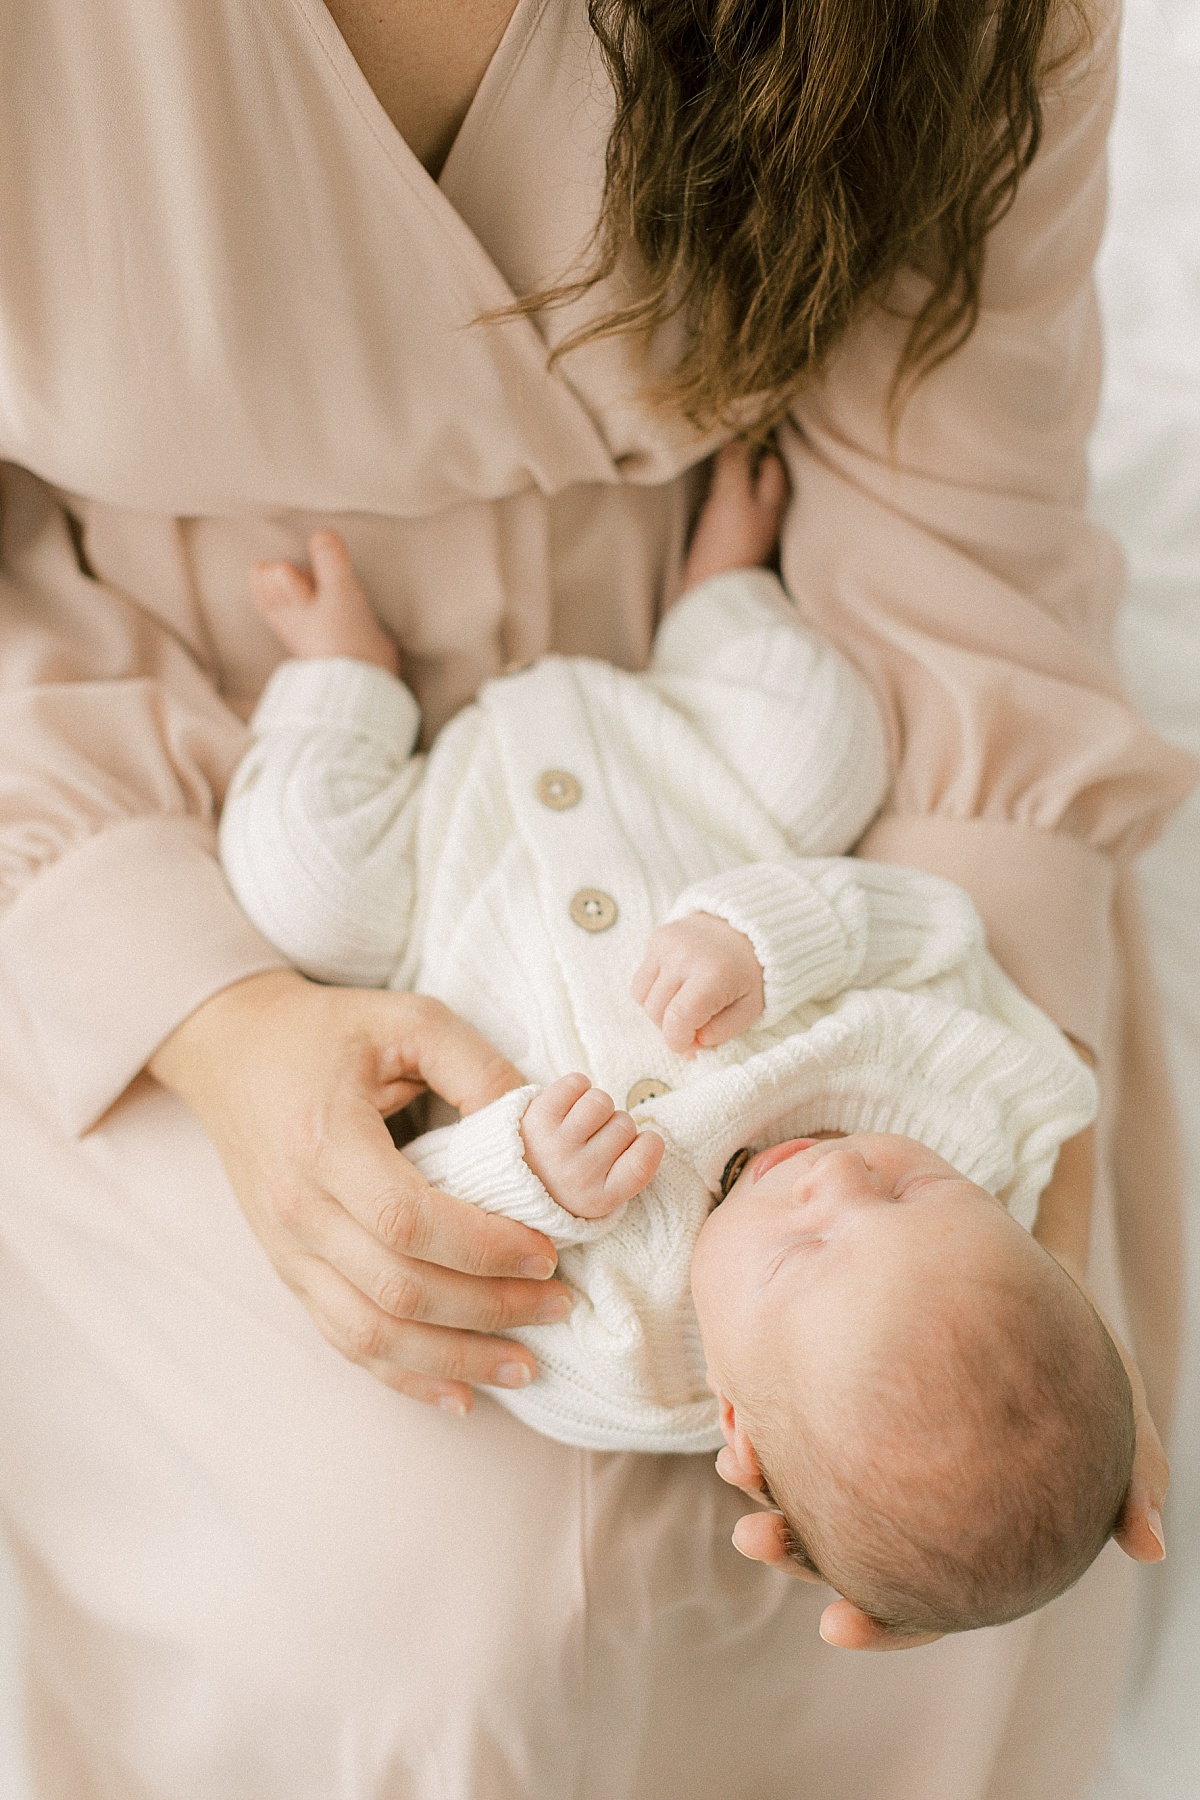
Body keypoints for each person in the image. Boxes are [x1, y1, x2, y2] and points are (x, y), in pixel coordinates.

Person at [0, 0, 1195, 1795]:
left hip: (779, 687)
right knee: (428, 1624)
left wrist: (1007, 1137)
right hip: (180, 743)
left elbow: (958, 530)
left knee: (937, 1476)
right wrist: (221, 1021)